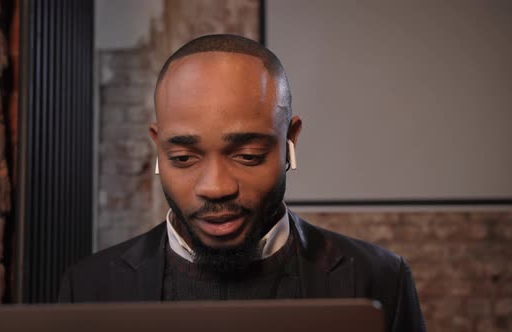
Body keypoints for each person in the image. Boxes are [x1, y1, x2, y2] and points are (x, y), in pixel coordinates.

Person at [59, 34, 426, 332]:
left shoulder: (378, 280)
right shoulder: (89, 288)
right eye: (184, 159)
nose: (215, 187)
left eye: (248, 155)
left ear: (289, 142)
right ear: (158, 146)